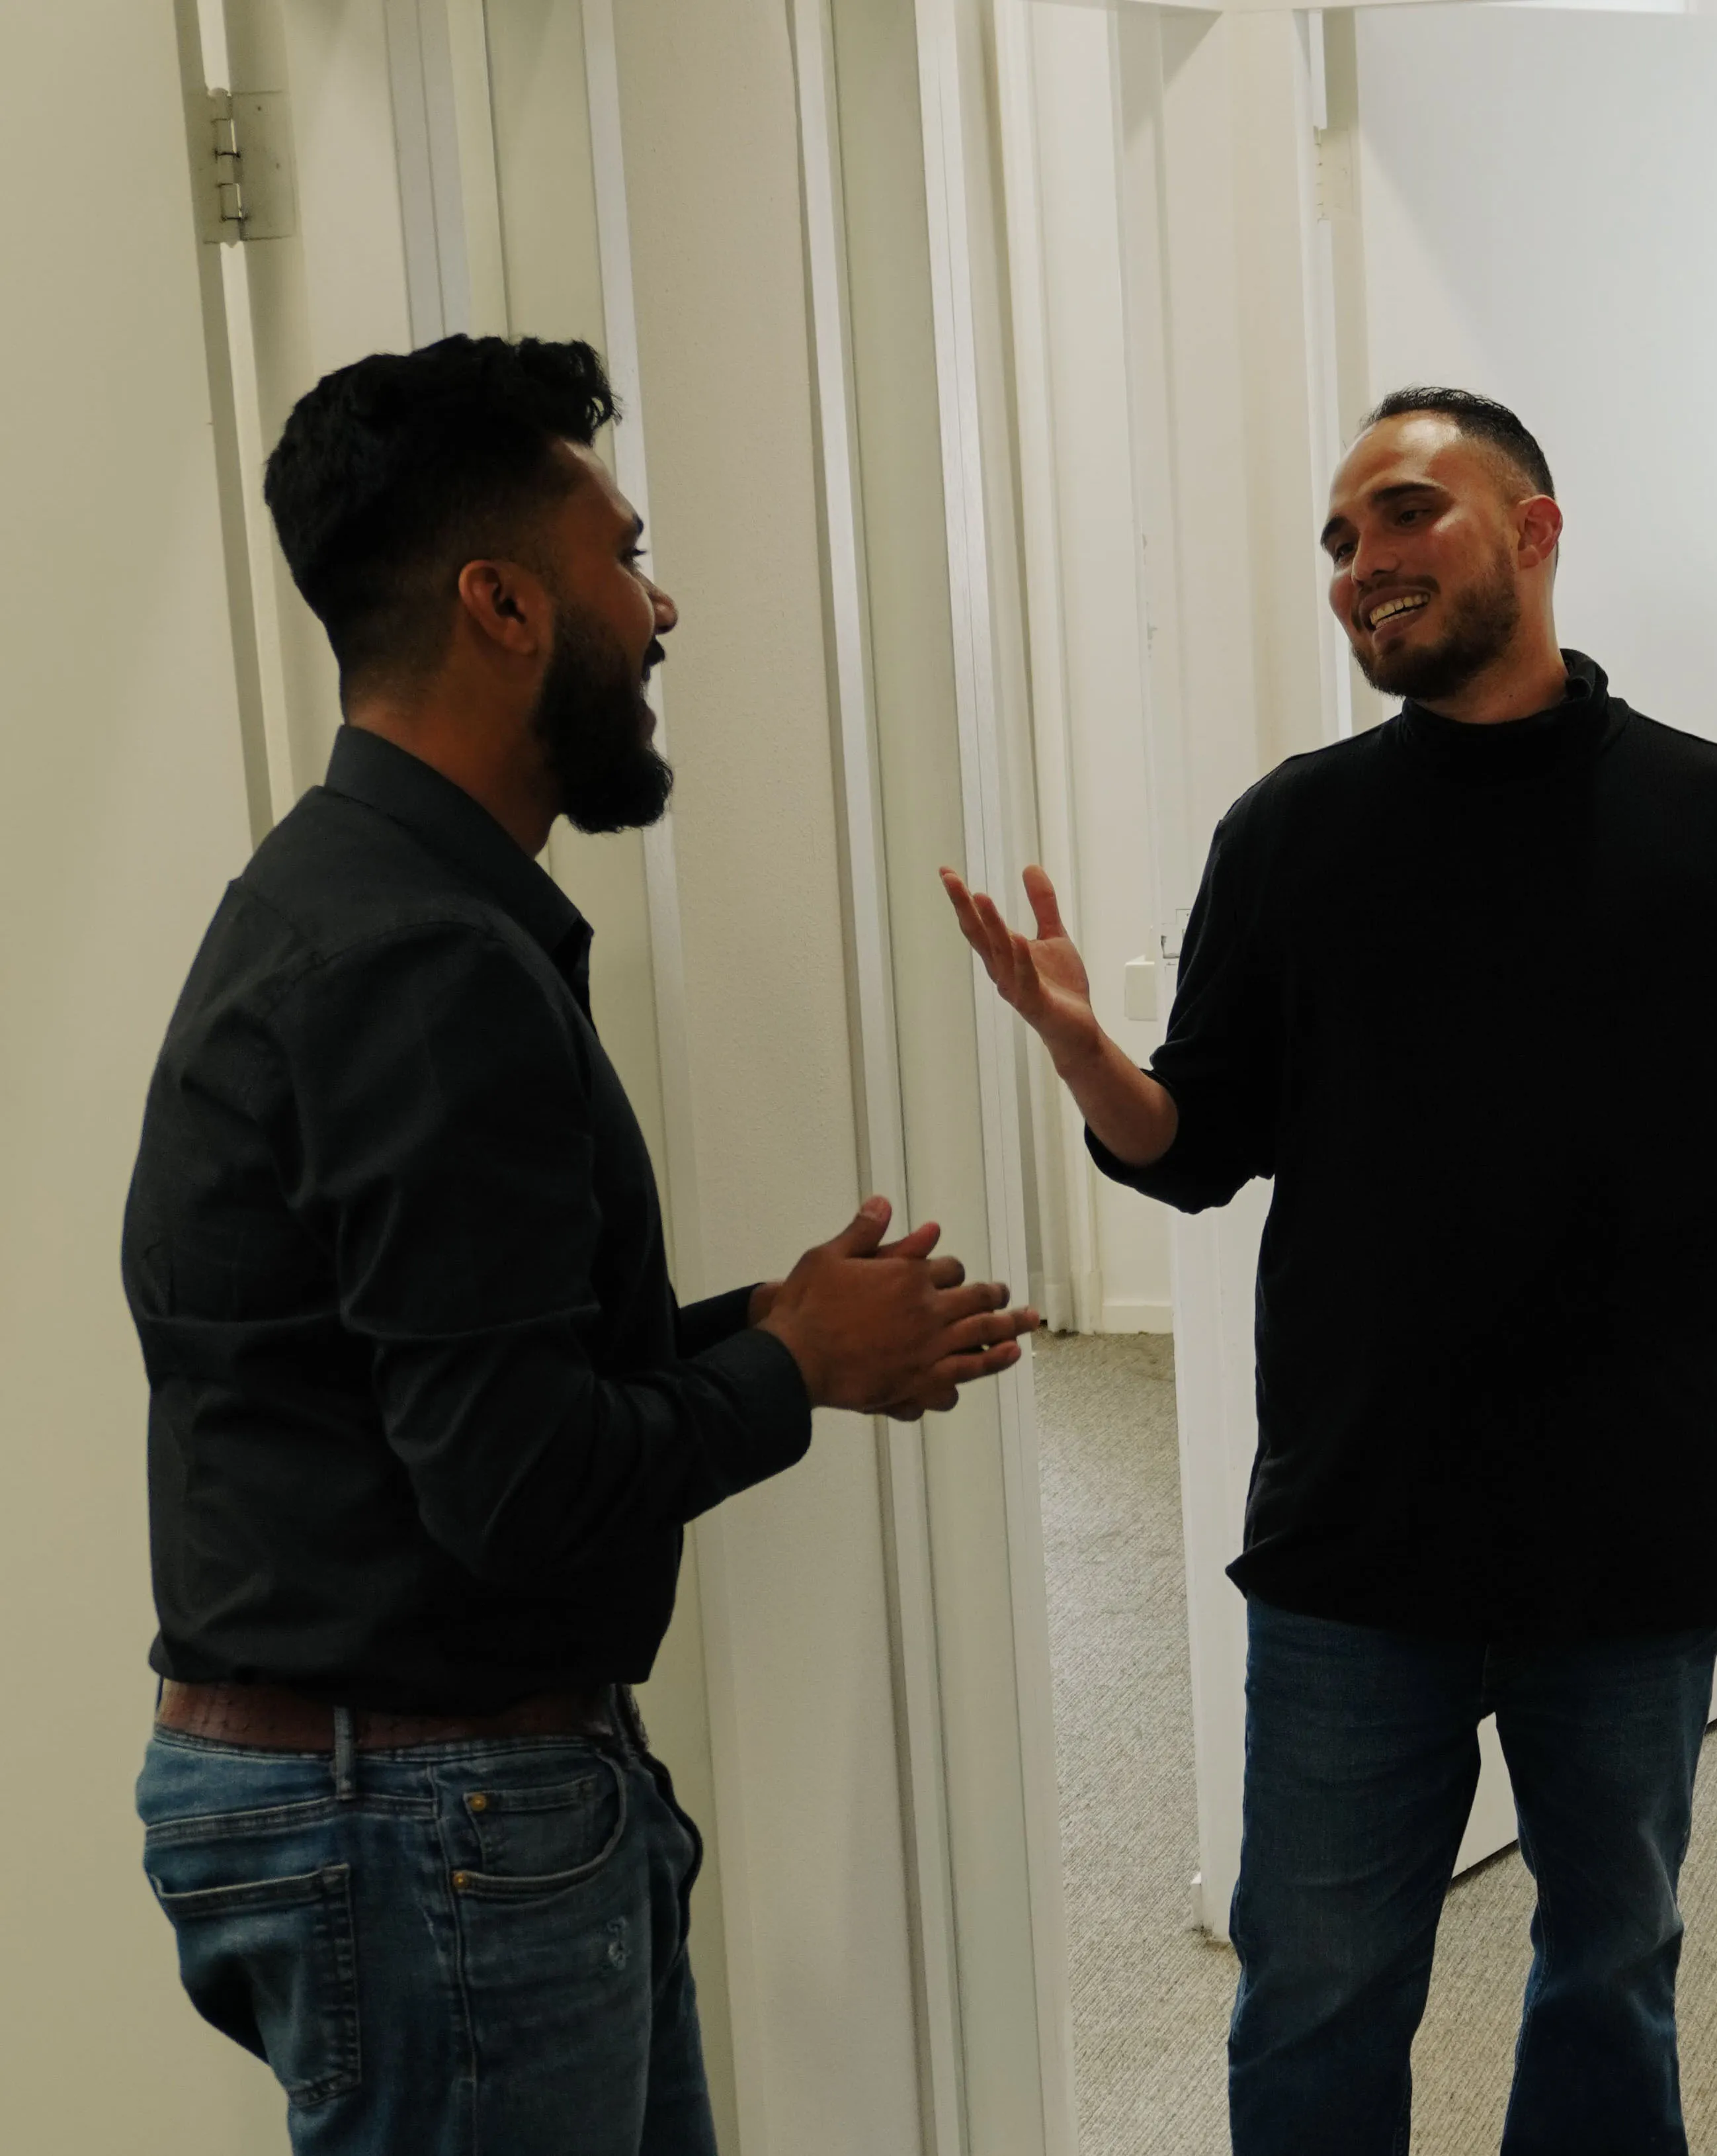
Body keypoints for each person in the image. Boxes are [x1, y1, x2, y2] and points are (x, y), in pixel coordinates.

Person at [943, 387, 1717, 2153]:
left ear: (1535, 534)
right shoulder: (1292, 835)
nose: (1362, 565)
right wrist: (1090, 1058)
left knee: (1612, 1970)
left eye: (1407, 514)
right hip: (1357, 1527)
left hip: (1630, 1524)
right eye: (1339, 540)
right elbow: (1195, 1149)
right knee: (1314, 1985)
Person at [122, 335, 1038, 2155]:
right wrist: (796, 1367)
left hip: (423, 1798)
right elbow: (517, 1484)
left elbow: (437, 1372)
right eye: (623, 556)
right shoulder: (421, 963)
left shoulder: (362, 902)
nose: (660, 604)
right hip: (431, 1818)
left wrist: (761, 1323)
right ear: (503, 604)